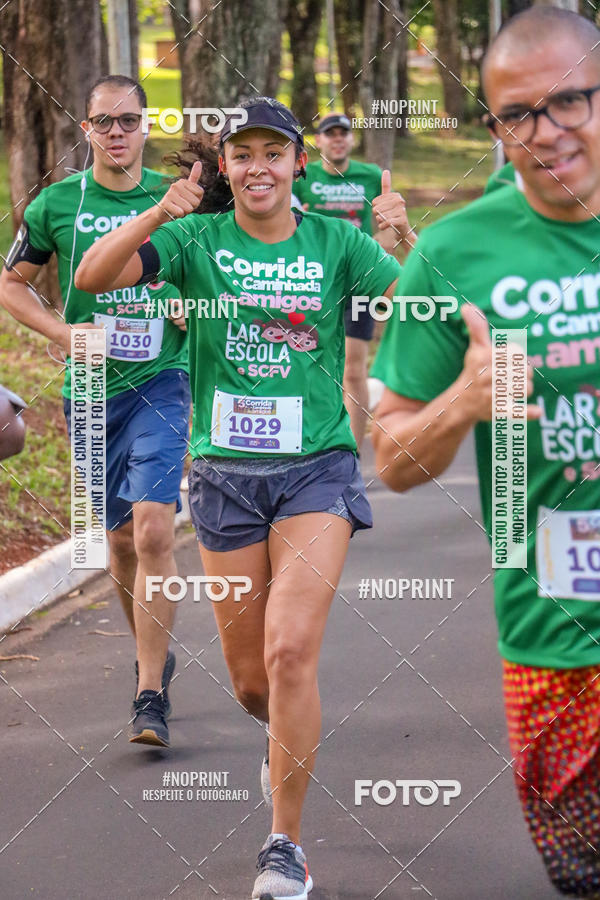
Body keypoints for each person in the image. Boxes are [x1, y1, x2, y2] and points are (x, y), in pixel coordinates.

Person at [74, 95, 410, 900]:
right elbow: (92, 280)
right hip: (224, 477)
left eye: (274, 153)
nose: (258, 166)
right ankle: (282, 749)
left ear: (297, 164)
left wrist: (406, 242)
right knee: (254, 682)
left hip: (317, 469)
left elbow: (419, 317)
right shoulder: (195, 239)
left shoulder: (338, 241)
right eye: (243, 154)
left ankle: (284, 845)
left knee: (292, 651)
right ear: (224, 168)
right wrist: (159, 210)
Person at [371, 8, 600, 896]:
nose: (545, 135)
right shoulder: (457, 253)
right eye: (516, 115)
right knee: (581, 873)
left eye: (570, 101)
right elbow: (391, 459)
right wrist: (468, 397)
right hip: (555, 634)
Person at [0, 74, 192, 749]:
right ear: (85, 130)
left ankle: (147, 692)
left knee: (152, 534)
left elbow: (210, 284)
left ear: (146, 126)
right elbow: (11, 284)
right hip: (88, 387)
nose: (116, 132)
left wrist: (185, 308)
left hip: (162, 382)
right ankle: (153, 650)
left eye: (128, 120)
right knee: (116, 543)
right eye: (103, 122)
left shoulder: (175, 205)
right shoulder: (57, 204)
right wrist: (64, 334)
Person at [295, 113, 415, 450]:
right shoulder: (304, 177)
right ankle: (308, 444)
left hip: (357, 282)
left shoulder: (370, 176)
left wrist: (374, 249)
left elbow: (388, 224)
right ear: (318, 141)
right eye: (329, 134)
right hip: (309, 283)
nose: (336, 140)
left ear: (350, 140)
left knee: (353, 369)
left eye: (343, 134)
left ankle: (350, 450)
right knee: (305, 363)